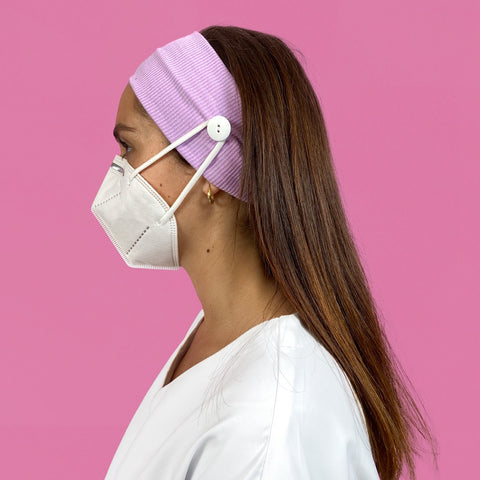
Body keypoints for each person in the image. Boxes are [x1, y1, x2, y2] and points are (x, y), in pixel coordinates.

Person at [91, 26, 438, 480]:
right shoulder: (219, 339)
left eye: (128, 146)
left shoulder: (268, 421)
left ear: (209, 169)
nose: (118, 170)